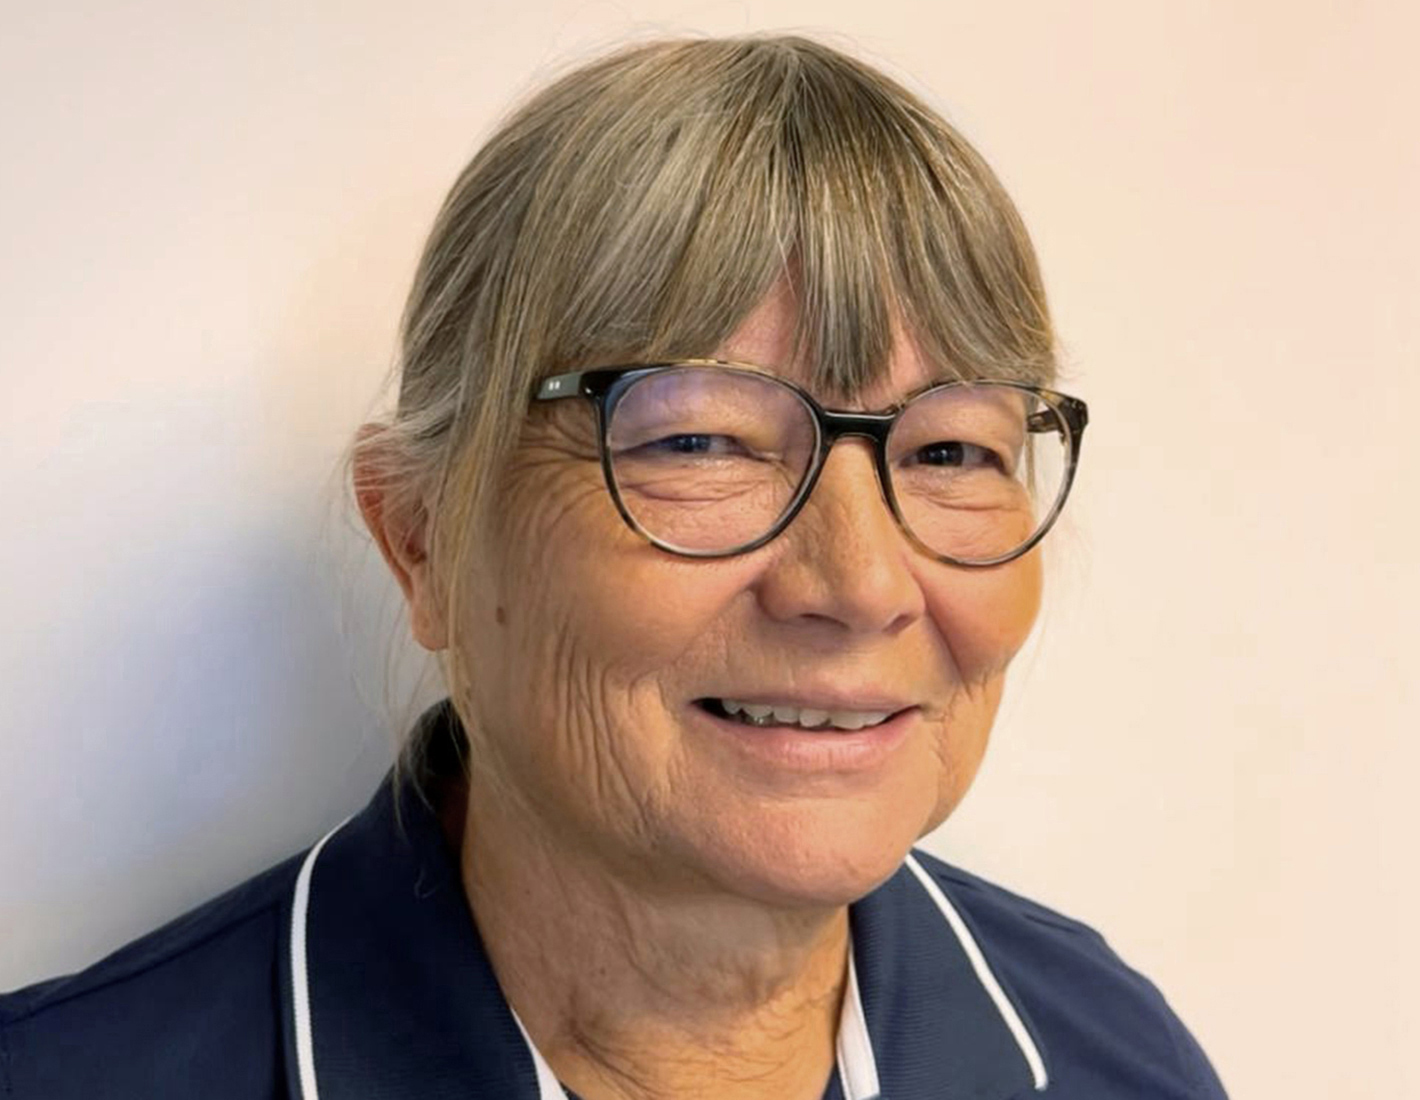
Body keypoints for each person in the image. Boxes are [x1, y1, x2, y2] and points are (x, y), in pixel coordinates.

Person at [0, 34, 1228, 1099]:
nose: (860, 584)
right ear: (421, 536)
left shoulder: (1117, 1053)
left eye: (952, 450)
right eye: (699, 440)